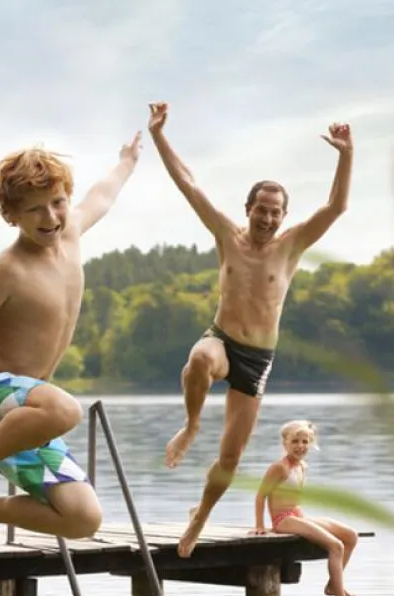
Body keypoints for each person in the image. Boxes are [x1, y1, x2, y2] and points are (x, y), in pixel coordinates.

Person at [147, 101, 353, 557]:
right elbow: (188, 183)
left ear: (283, 215)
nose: (267, 218)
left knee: (231, 459)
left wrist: (344, 155)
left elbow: (337, 205)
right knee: (199, 359)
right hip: (222, 340)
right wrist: (159, 134)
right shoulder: (226, 234)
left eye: (275, 212)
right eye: (261, 209)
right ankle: (192, 424)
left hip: (257, 361)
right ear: (248, 208)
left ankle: (199, 517)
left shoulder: (292, 244)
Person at [0, 133, 142, 575]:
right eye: (35, 209)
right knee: (65, 408)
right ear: (12, 216)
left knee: (84, 518)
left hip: (25, 415)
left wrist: (127, 160)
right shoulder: (7, 270)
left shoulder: (74, 233)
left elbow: (104, 194)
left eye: (58, 202)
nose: (51, 217)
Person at [253, 420, 358, 596]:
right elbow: (261, 496)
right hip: (282, 520)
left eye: (305, 441)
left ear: (310, 443)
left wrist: (305, 521)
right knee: (336, 546)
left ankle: (333, 586)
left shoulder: (303, 467)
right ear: (285, 443)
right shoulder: (279, 468)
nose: (300, 446)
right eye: (295, 441)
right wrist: (260, 526)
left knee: (350, 536)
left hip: (296, 516)